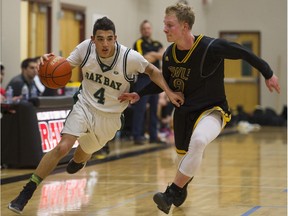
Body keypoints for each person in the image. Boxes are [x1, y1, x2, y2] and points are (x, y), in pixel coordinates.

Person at [8, 17, 184, 214]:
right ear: (93, 39)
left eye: (109, 38)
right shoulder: (85, 49)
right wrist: (47, 62)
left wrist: (168, 92)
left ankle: (80, 159)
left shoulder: (129, 57)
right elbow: (63, 67)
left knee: (83, 152)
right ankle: (26, 193)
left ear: (115, 38)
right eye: (100, 39)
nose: (105, 44)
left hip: (109, 119)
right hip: (84, 105)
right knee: (62, 147)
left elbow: (153, 71)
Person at [119, 3, 280, 214]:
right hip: (184, 113)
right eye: (164, 24)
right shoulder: (169, 54)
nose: (165, 29)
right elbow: (163, 82)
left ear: (185, 26)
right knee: (184, 162)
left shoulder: (210, 47)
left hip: (213, 110)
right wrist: (140, 93)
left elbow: (243, 52)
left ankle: (171, 192)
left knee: (199, 140)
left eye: (170, 25)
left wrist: (268, 73)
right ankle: (180, 189)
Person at [132, 20, 165, 144]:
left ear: (151, 29)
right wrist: (156, 55)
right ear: (141, 30)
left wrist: (153, 54)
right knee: (140, 108)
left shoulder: (157, 43)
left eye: (148, 28)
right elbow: (143, 59)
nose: (147, 30)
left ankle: (153, 136)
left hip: (156, 78)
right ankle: (137, 135)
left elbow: (163, 56)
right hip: (143, 78)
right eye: (144, 28)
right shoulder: (139, 43)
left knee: (154, 109)